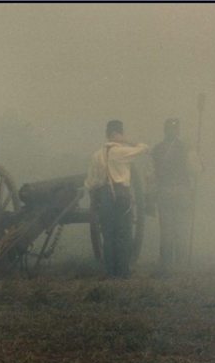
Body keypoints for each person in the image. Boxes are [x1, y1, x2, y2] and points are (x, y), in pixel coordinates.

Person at [85, 120, 149, 278]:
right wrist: (128, 141)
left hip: (104, 197)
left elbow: (90, 183)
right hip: (121, 196)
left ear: (107, 134)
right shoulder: (120, 151)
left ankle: (110, 272)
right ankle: (123, 272)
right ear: (118, 134)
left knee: (108, 235)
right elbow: (144, 148)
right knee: (123, 234)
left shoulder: (96, 155)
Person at [150, 118, 199, 275]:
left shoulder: (156, 149)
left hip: (164, 191)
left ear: (164, 131)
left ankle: (166, 263)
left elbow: (150, 174)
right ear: (178, 131)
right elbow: (196, 169)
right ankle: (181, 263)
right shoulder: (186, 148)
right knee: (181, 228)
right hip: (182, 191)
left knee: (166, 229)